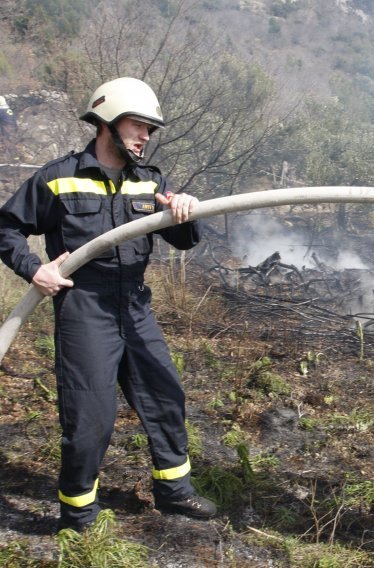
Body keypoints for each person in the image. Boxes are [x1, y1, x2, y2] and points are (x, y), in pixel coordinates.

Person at [0, 77, 217, 532]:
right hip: (85, 309)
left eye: (150, 131)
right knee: (89, 417)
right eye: (139, 126)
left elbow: (182, 240)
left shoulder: (150, 180)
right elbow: (6, 229)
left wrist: (186, 213)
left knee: (164, 396)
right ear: (108, 122)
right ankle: (79, 514)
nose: (145, 137)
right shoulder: (58, 178)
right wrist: (34, 269)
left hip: (135, 304)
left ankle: (174, 492)